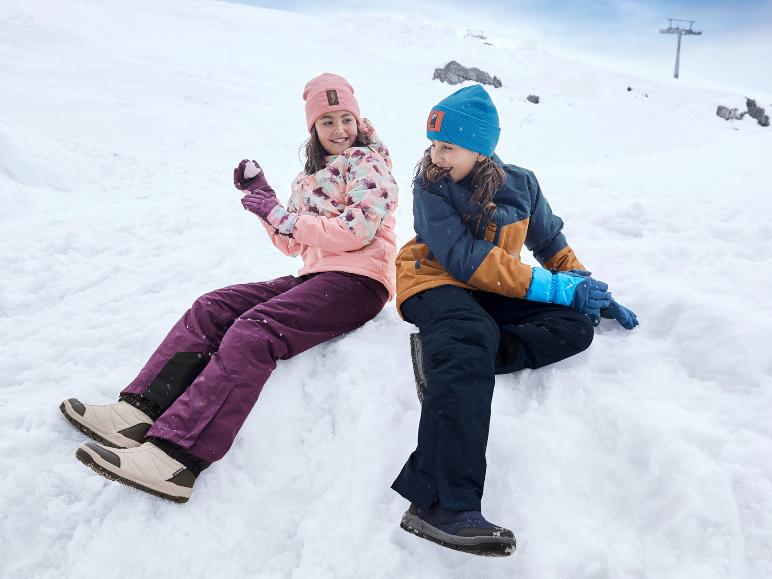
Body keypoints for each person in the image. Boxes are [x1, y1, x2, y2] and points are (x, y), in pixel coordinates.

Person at [60, 73, 398, 503]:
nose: (340, 130)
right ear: (313, 128)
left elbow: (357, 228)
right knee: (214, 307)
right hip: (314, 276)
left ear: (358, 118)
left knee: (256, 330)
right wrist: (265, 201)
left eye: (346, 118)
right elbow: (292, 243)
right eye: (327, 121)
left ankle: (175, 457)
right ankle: (137, 413)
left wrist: (284, 216)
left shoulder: (369, 163)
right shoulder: (308, 178)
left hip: (359, 282)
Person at [391, 84, 637, 556]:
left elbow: (551, 244)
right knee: (469, 333)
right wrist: (553, 287)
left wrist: (589, 290)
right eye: (434, 145)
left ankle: (447, 357)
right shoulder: (430, 185)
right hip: (434, 279)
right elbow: (464, 259)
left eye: (448, 147)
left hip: (492, 288)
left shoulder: (522, 183)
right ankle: (439, 503)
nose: (436, 156)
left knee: (574, 326)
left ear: (481, 148)